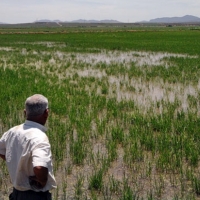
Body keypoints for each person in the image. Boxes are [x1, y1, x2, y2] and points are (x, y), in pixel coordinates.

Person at [0, 94, 57, 200]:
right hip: (34, 195)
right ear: (46, 113)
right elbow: (39, 167)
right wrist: (42, 180)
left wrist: (16, 161)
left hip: (16, 193)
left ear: (25, 112)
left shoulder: (12, 131)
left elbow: (1, 150)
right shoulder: (39, 137)